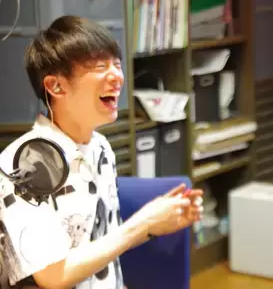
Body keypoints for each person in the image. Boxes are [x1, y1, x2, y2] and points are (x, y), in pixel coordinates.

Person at [0, 16, 203, 289]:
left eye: (116, 65)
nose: (117, 76)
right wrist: (145, 222)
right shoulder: (21, 166)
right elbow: (53, 276)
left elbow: (104, 244)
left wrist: (159, 221)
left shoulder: (100, 147)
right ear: (56, 86)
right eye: (100, 66)